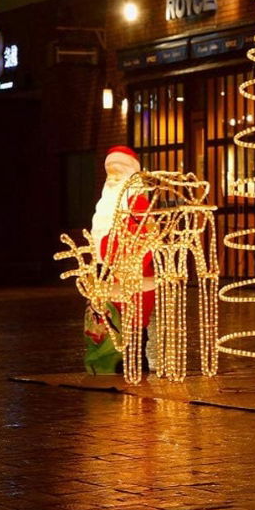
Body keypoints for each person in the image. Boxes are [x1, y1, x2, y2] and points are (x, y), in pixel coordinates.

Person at [85, 146, 155, 374]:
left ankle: (133, 364)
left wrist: (126, 266)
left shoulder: (137, 204)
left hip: (130, 275)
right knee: (110, 321)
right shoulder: (106, 205)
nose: (113, 177)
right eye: (110, 172)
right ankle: (112, 362)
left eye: (118, 171)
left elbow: (146, 238)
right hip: (106, 272)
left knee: (131, 323)